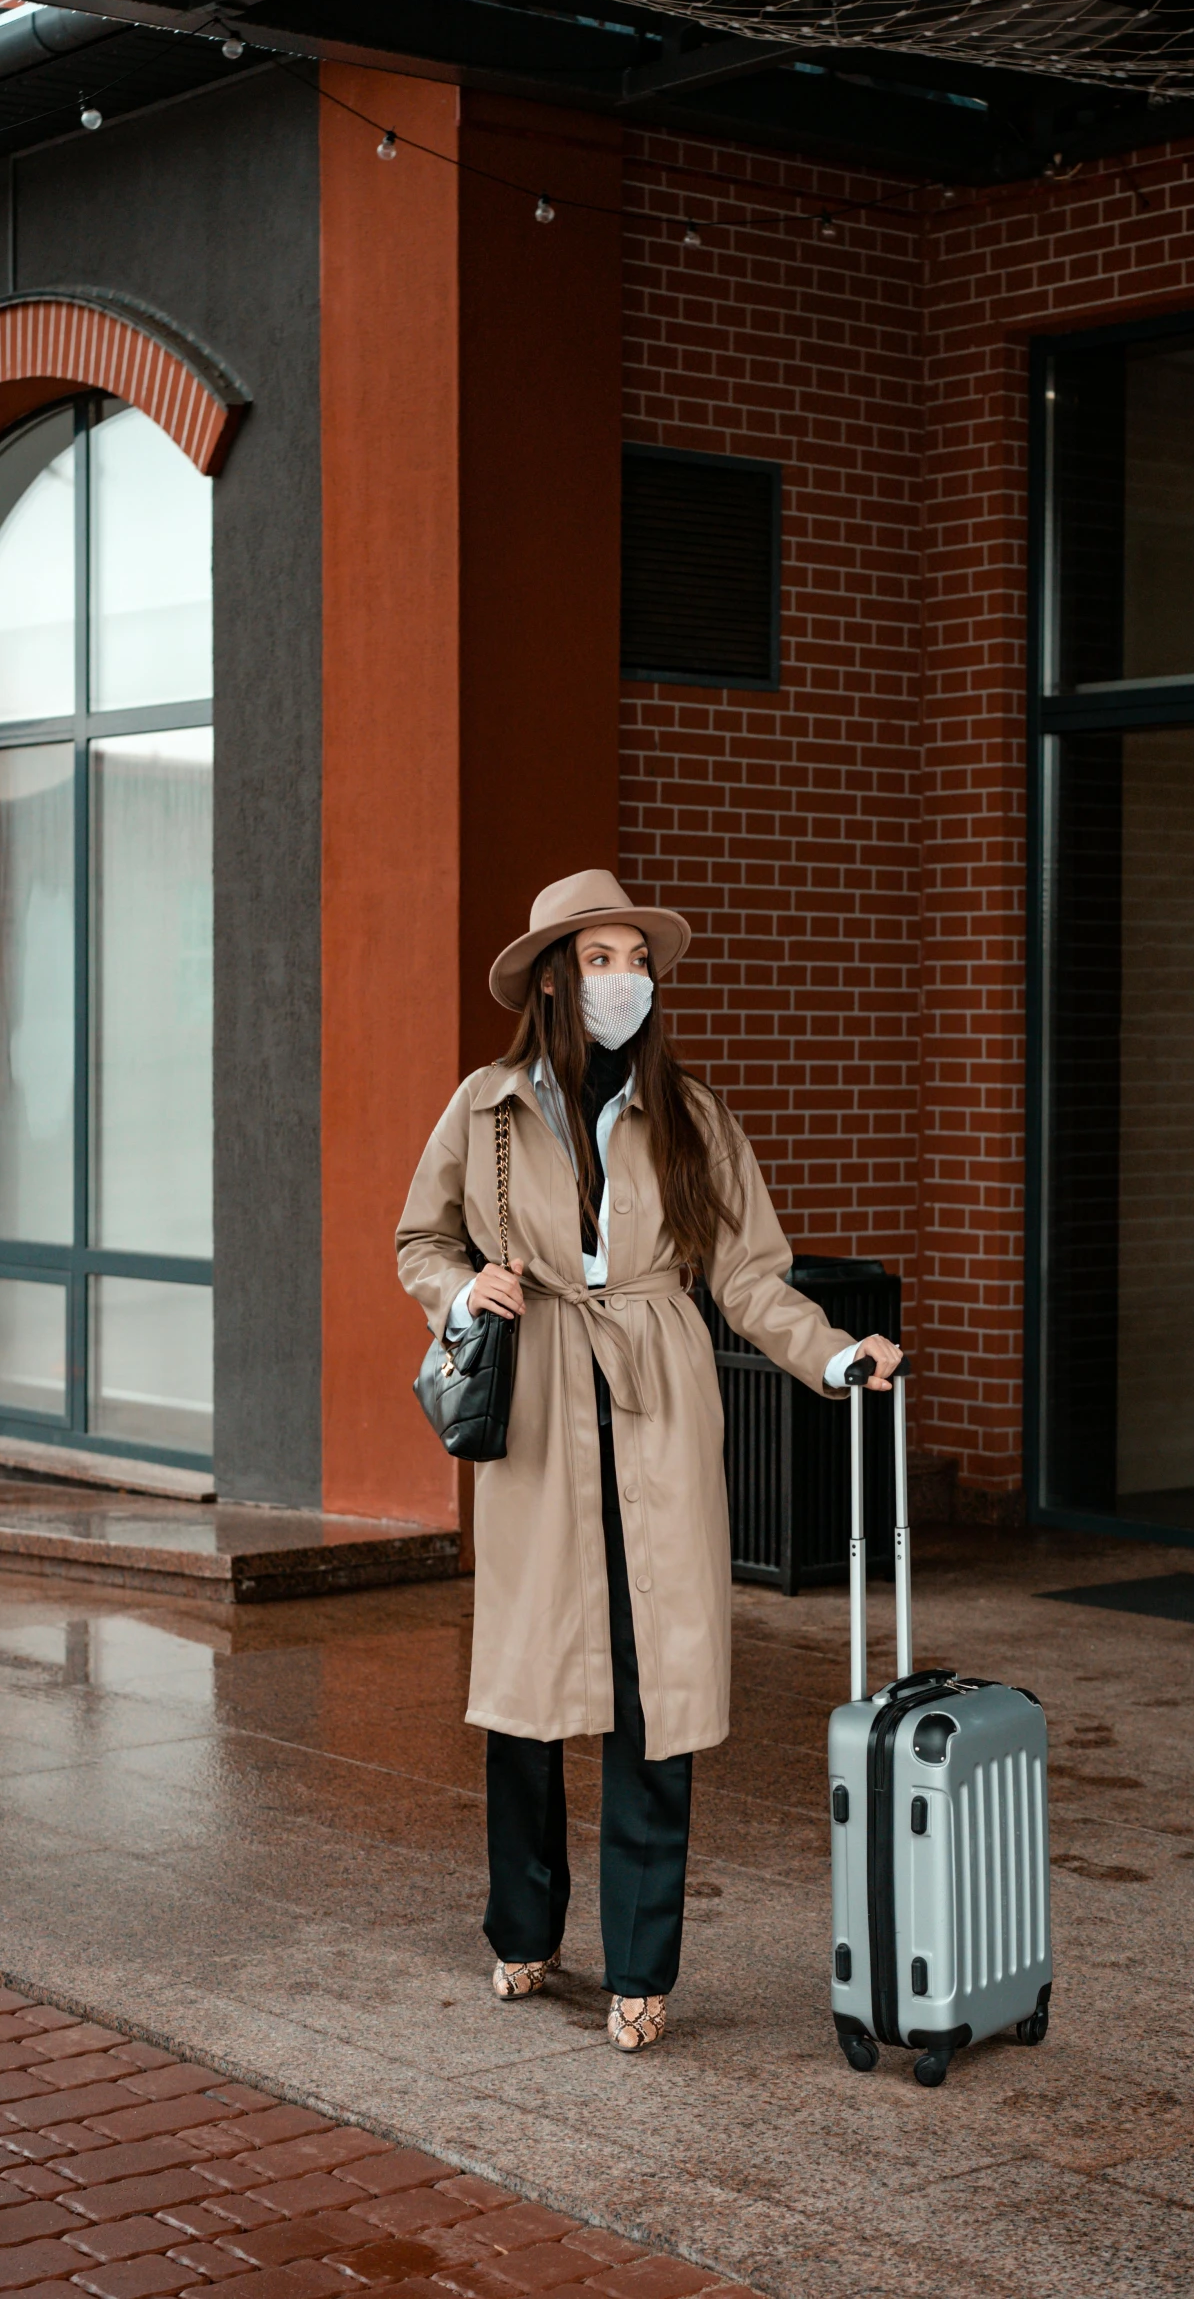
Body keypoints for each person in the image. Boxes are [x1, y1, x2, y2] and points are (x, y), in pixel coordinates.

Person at [396, 869, 903, 2052]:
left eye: (636, 956)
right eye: (600, 956)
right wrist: (458, 1284)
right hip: (534, 1411)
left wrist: (832, 1361)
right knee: (525, 1695)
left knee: (651, 1691)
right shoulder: (484, 1107)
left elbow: (749, 1278)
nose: (623, 976)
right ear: (555, 977)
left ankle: (642, 1965)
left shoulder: (693, 1116)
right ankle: (522, 1932)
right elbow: (422, 1236)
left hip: (660, 1406)